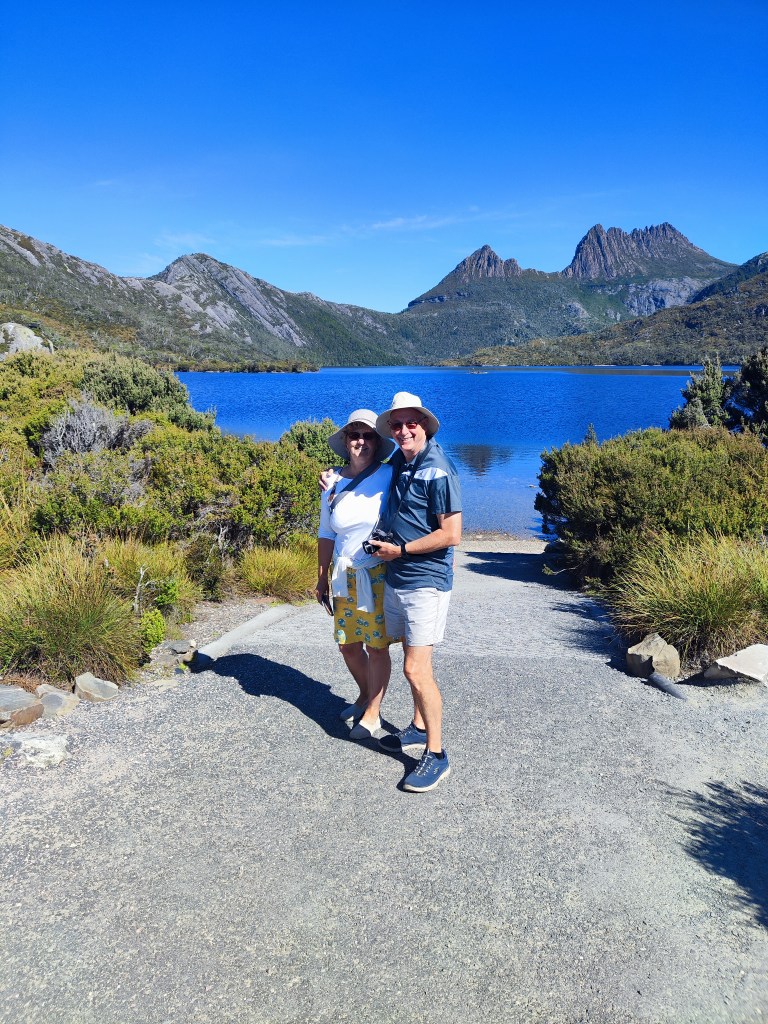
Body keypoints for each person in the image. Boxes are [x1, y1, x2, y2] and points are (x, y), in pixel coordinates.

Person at [367, 391, 462, 793]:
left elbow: (451, 534)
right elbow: (367, 470)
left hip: (425, 580)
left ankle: (436, 755)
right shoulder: (401, 461)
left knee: (415, 669)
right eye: (397, 425)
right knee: (410, 653)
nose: (403, 430)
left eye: (411, 423)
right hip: (398, 576)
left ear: (424, 426)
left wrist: (401, 550)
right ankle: (419, 726)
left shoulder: (438, 469)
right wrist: (334, 477)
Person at [316, 409, 398, 740]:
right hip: (342, 574)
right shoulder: (331, 481)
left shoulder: (390, 474)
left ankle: (374, 713)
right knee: (348, 645)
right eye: (354, 435)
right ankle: (365, 695)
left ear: (377, 442)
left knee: (377, 647)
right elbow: (326, 532)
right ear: (345, 440)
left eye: (367, 435)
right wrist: (321, 577)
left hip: (375, 573)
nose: (360, 441)